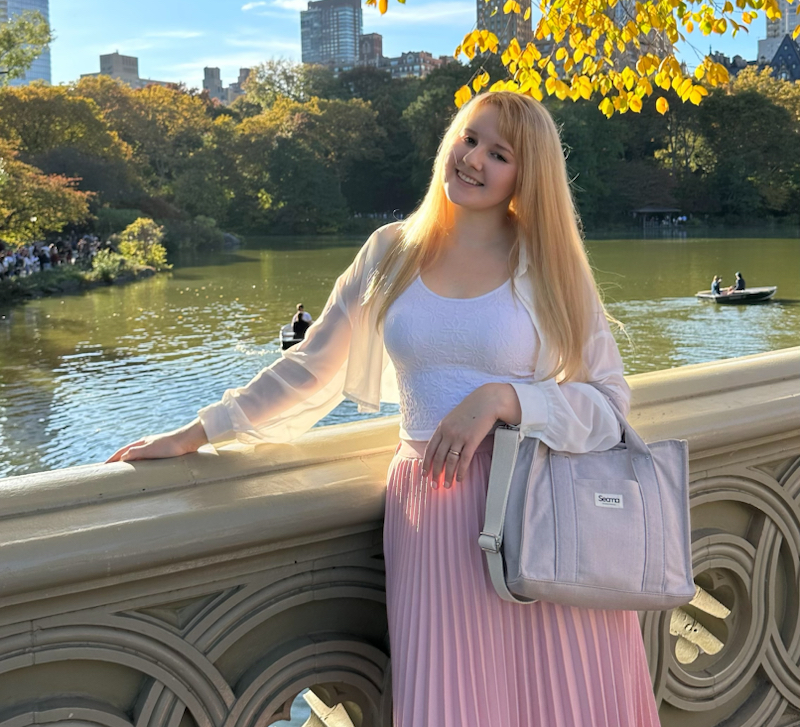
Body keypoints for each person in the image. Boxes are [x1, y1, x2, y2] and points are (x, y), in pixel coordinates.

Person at [106, 91, 658, 727]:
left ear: (525, 177)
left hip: (539, 508)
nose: (473, 159)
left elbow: (608, 403)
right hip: (433, 507)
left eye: (499, 154)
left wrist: (504, 398)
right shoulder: (390, 250)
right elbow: (310, 367)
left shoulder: (547, 261)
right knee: (451, 697)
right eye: (469, 138)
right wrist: (198, 431)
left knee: (563, 693)